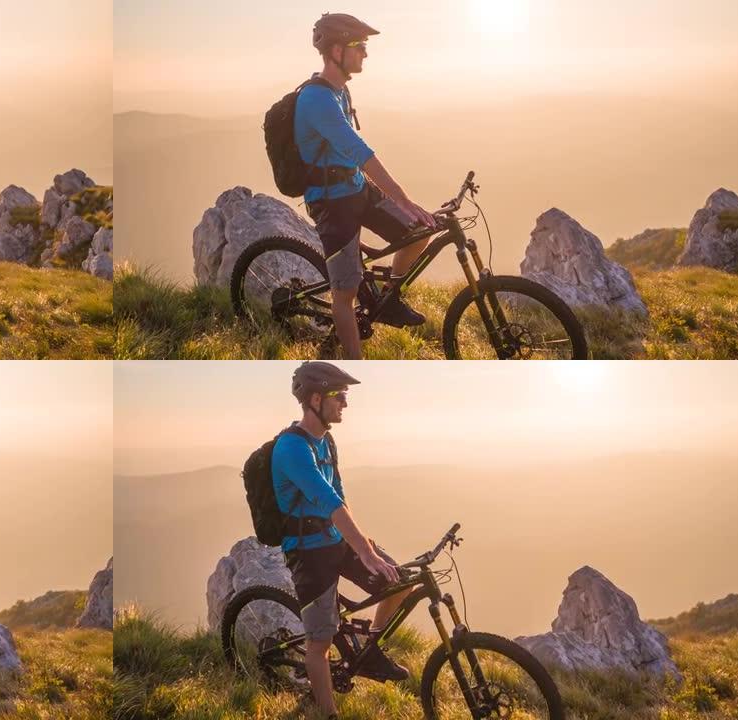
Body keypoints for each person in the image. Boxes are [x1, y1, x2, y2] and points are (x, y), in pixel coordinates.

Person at [275, 361, 416, 718]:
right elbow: (329, 500)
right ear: (316, 399)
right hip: (309, 552)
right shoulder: (292, 449)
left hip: (334, 539)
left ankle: (368, 655)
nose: (345, 405)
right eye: (340, 397)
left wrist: (363, 544)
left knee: (399, 584)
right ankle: (328, 712)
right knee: (319, 642)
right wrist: (366, 553)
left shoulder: (326, 441)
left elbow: (339, 493)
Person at [297, 13, 440, 359]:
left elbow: (353, 156)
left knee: (420, 232)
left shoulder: (339, 90)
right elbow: (360, 153)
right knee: (344, 295)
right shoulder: (317, 100)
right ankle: (356, 364)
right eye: (358, 46)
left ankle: (388, 302)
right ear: (335, 50)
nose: (364, 53)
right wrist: (404, 200)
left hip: (356, 188)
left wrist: (408, 209)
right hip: (332, 203)